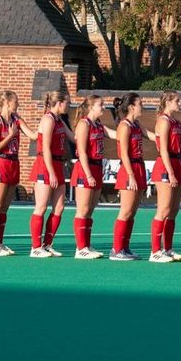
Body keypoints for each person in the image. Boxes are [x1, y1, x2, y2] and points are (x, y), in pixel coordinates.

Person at [0, 90, 37, 257]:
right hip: (0, 162)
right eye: (15, 101)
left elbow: (33, 135)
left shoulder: (16, 119)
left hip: (14, 163)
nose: (17, 104)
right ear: (7, 103)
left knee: (5, 207)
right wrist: (11, 135)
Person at [69, 95, 113, 259]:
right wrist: (88, 175)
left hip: (97, 167)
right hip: (85, 169)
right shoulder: (84, 124)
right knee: (83, 209)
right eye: (101, 104)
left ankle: (86, 245)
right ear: (91, 107)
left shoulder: (98, 124)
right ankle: (80, 248)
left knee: (90, 210)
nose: (104, 107)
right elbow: (81, 152)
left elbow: (114, 134)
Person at [29, 90, 71, 257]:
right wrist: (51, 173)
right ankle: (35, 247)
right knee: (41, 206)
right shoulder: (48, 119)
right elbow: (45, 147)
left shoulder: (59, 120)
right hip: (45, 165)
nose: (68, 105)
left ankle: (47, 244)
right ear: (59, 103)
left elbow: (74, 138)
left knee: (59, 207)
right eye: (67, 103)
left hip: (57, 164)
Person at [110, 93, 148, 261]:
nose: (142, 106)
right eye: (140, 104)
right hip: (128, 169)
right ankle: (116, 249)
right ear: (132, 107)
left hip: (139, 166)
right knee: (125, 211)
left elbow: (153, 135)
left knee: (132, 212)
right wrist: (131, 175)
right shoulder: (124, 126)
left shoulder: (136, 124)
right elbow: (124, 154)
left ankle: (125, 247)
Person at [149, 90, 181, 263]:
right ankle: (155, 251)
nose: (180, 103)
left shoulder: (175, 121)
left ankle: (167, 248)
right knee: (163, 209)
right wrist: (170, 172)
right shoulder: (163, 121)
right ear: (168, 102)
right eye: (177, 100)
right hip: (166, 165)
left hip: (177, 162)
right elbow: (163, 149)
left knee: (173, 211)